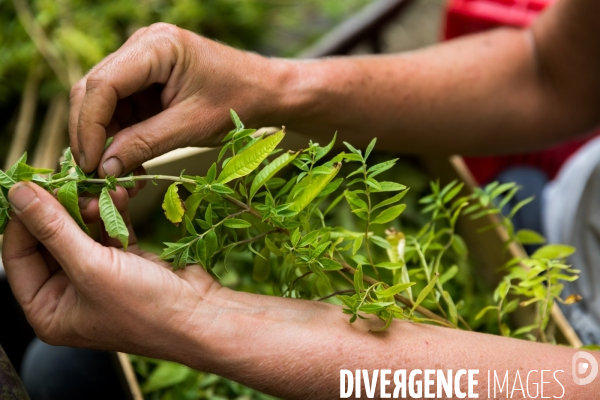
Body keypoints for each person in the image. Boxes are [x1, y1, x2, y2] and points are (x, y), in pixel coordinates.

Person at [3, 0, 600, 397]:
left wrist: (203, 321)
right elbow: (549, 70)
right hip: (568, 238)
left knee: (58, 374)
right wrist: (273, 85)